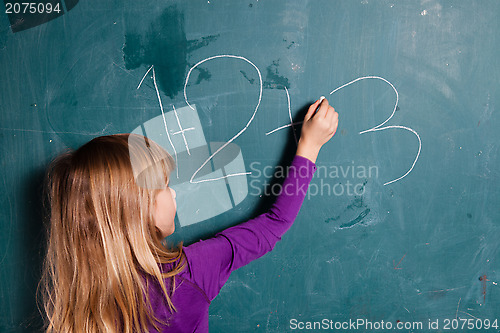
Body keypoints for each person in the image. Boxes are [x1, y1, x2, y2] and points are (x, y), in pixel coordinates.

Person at [40, 98, 339, 332]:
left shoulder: (76, 304)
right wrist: (309, 146)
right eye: (165, 187)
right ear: (139, 209)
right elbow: (274, 225)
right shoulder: (188, 276)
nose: (173, 193)